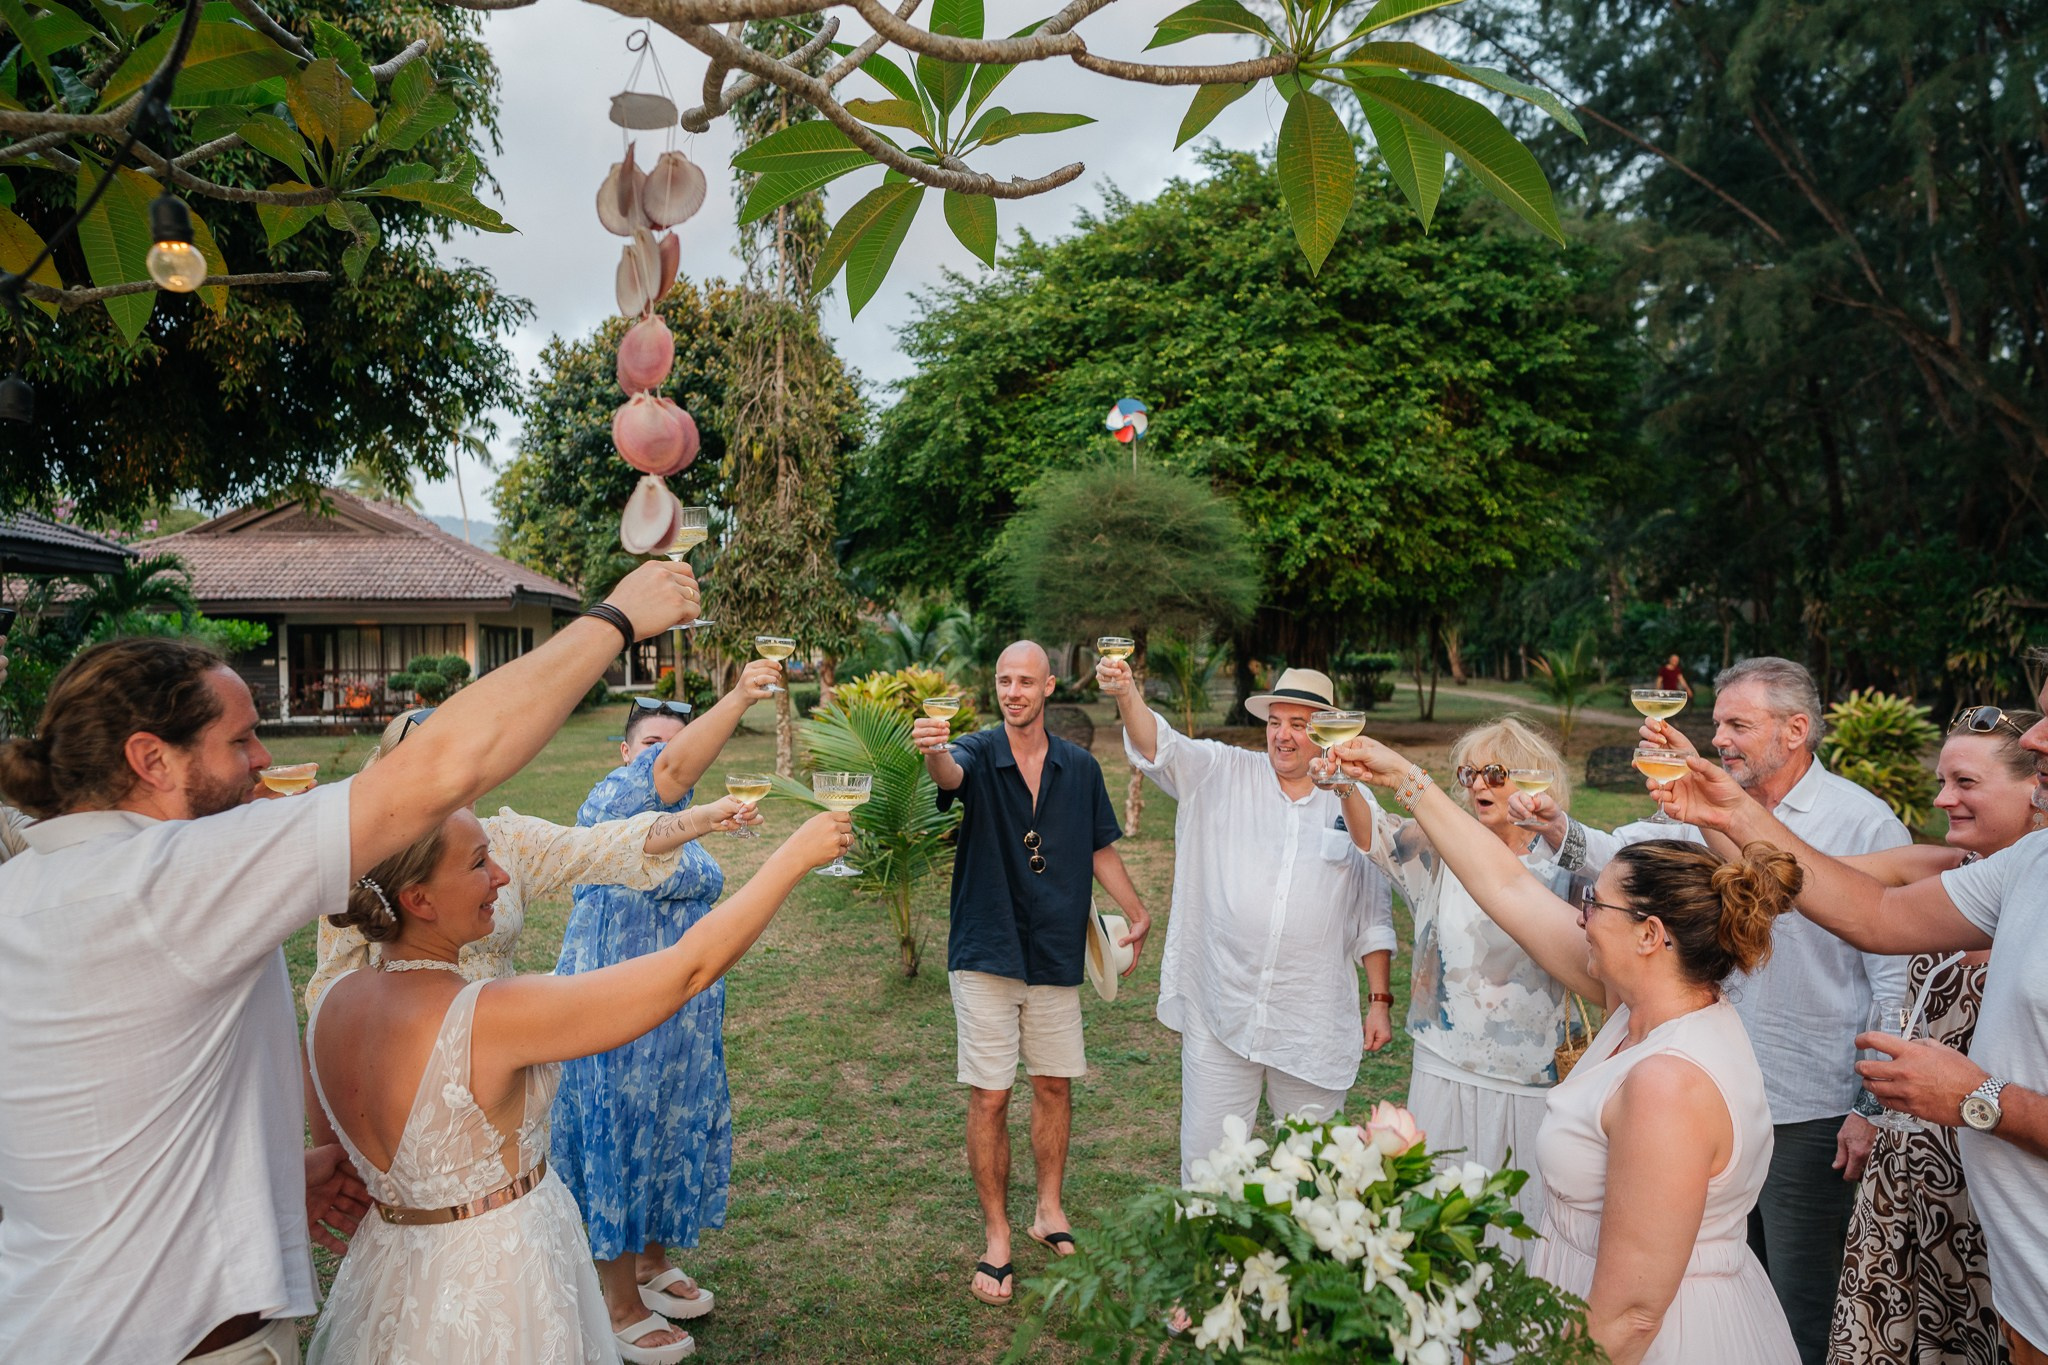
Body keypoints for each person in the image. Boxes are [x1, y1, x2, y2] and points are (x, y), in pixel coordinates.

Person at [0, 559, 701, 1364]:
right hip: (184, 1343)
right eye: (240, 739)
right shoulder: (168, 881)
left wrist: (252, 1177)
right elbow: (440, 773)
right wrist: (615, 618)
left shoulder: (24, 890)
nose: (263, 759)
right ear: (152, 761)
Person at [305, 800, 852, 1364]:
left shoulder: (328, 1005)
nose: (502, 875)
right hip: (499, 1283)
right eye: (478, 863)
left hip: (389, 1275)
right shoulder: (490, 1015)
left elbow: (338, 1149)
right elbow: (689, 969)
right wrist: (793, 856)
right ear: (418, 899)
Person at [1335, 732, 1801, 1365]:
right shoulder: (1637, 1007)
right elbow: (1505, 887)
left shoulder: (1668, 1085)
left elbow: (1631, 1316)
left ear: (1650, 935)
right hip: (1574, 1312)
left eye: (1595, 903)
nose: (1581, 913)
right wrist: (1403, 776)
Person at [1513, 657, 1910, 1360]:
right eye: (1717, 721)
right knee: (1704, 1268)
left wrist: (1870, 1105)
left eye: (1737, 723)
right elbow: (1631, 861)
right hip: (1706, 1068)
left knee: (1794, 1291)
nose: (1720, 736)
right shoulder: (1708, 806)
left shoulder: (1862, 822)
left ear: (1795, 729)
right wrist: (1557, 826)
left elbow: (1894, 974)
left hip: (1808, 1100)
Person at [1649, 683, 2048, 1365]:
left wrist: (1978, 1101)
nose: (2037, 736)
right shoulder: (2028, 867)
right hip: (2013, 1265)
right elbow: (1869, 913)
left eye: (1965, 781)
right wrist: (1736, 811)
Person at [551, 660, 785, 1354]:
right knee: (620, 1137)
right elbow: (667, 778)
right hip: (615, 1015)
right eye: (651, 743)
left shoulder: (680, 819)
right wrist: (741, 692)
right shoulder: (611, 803)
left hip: (679, 1024)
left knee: (665, 1132)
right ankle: (616, 1302)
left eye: (674, 743)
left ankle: (651, 1265)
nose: (664, 753)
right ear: (626, 753)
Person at [912, 640, 1152, 1308]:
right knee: (990, 1094)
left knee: (1053, 1083)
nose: (1013, 691)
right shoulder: (976, 750)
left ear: (1048, 687)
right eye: (1003, 680)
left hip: (1055, 947)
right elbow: (946, 774)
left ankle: (1049, 1209)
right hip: (987, 947)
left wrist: (1134, 907)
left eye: (1025, 681)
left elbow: (1099, 844)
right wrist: (931, 745)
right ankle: (997, 1237)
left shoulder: (1078, 767)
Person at [1096, 660, 1394, 1182]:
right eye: (1275, 721)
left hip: (1310, 1020)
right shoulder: (1222, 771)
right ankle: (1212, 1262)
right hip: (1223, 1007)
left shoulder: (1354, 800)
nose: (1282, 736)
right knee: (1210, 1165)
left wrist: (1379, 1001)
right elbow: (1156, 745)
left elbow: (1374, 908)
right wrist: (1126, 694)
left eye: (1298, 725)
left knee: (1312, 1170)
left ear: (1325, 731)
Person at [306, 703, 761, 1012]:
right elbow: (330, 989)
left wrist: (701, 818)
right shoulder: (364, 859)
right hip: (403, 1054)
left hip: (501, 1040)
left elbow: (607, 845)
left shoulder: (509, 839)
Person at [1828, 707, 2042, 1365]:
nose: (1942, 798)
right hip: (1910, 1169)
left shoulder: (2018, 877)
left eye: (1966, 782)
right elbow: (1854, 901)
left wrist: (1978, 1097)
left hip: (1991, 1199)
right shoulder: (1968, 868)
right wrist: (1724, 817)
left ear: (2029, 789)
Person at [1360, 714, 1582, 1251]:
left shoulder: (1567, 865)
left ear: (1534, 780)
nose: (1479, 785)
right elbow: (1376, 840)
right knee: (1437, 1213)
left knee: (1518, 1225)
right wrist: (1348, 785)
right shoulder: (1440, 847)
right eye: (1469, 775)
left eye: (1495, 773)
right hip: (1443, 1063)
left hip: (1533, 1077)